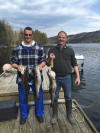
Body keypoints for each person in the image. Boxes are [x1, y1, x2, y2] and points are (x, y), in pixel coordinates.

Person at [10, 27, 46, 125]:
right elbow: (12, 62)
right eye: (26, 34)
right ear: (24, 35)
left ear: (32, 35)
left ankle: (39, 114)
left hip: (36, 79)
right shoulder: (17, 48)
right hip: (22, 79)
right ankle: (23, 115)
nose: (28, 36)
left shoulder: (39, 48)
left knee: (39, 96)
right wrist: (17, 67)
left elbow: (44, 61)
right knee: (23, 98)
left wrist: (41, 65)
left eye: (30, 34)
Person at [47, 31, 80, 124]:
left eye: (63, 37)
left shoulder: (70, 50)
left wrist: (78, 77)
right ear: (57, 38)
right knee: (54, 97)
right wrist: (50, 58)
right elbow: (48, 63)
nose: (61, 39)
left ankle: (69, 115)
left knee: (68, 97)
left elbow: (75, 64)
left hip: (67, 78)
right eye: (59, 37)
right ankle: (54, 115)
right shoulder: (52, 50)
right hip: (55, 78)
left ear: (66, 39)